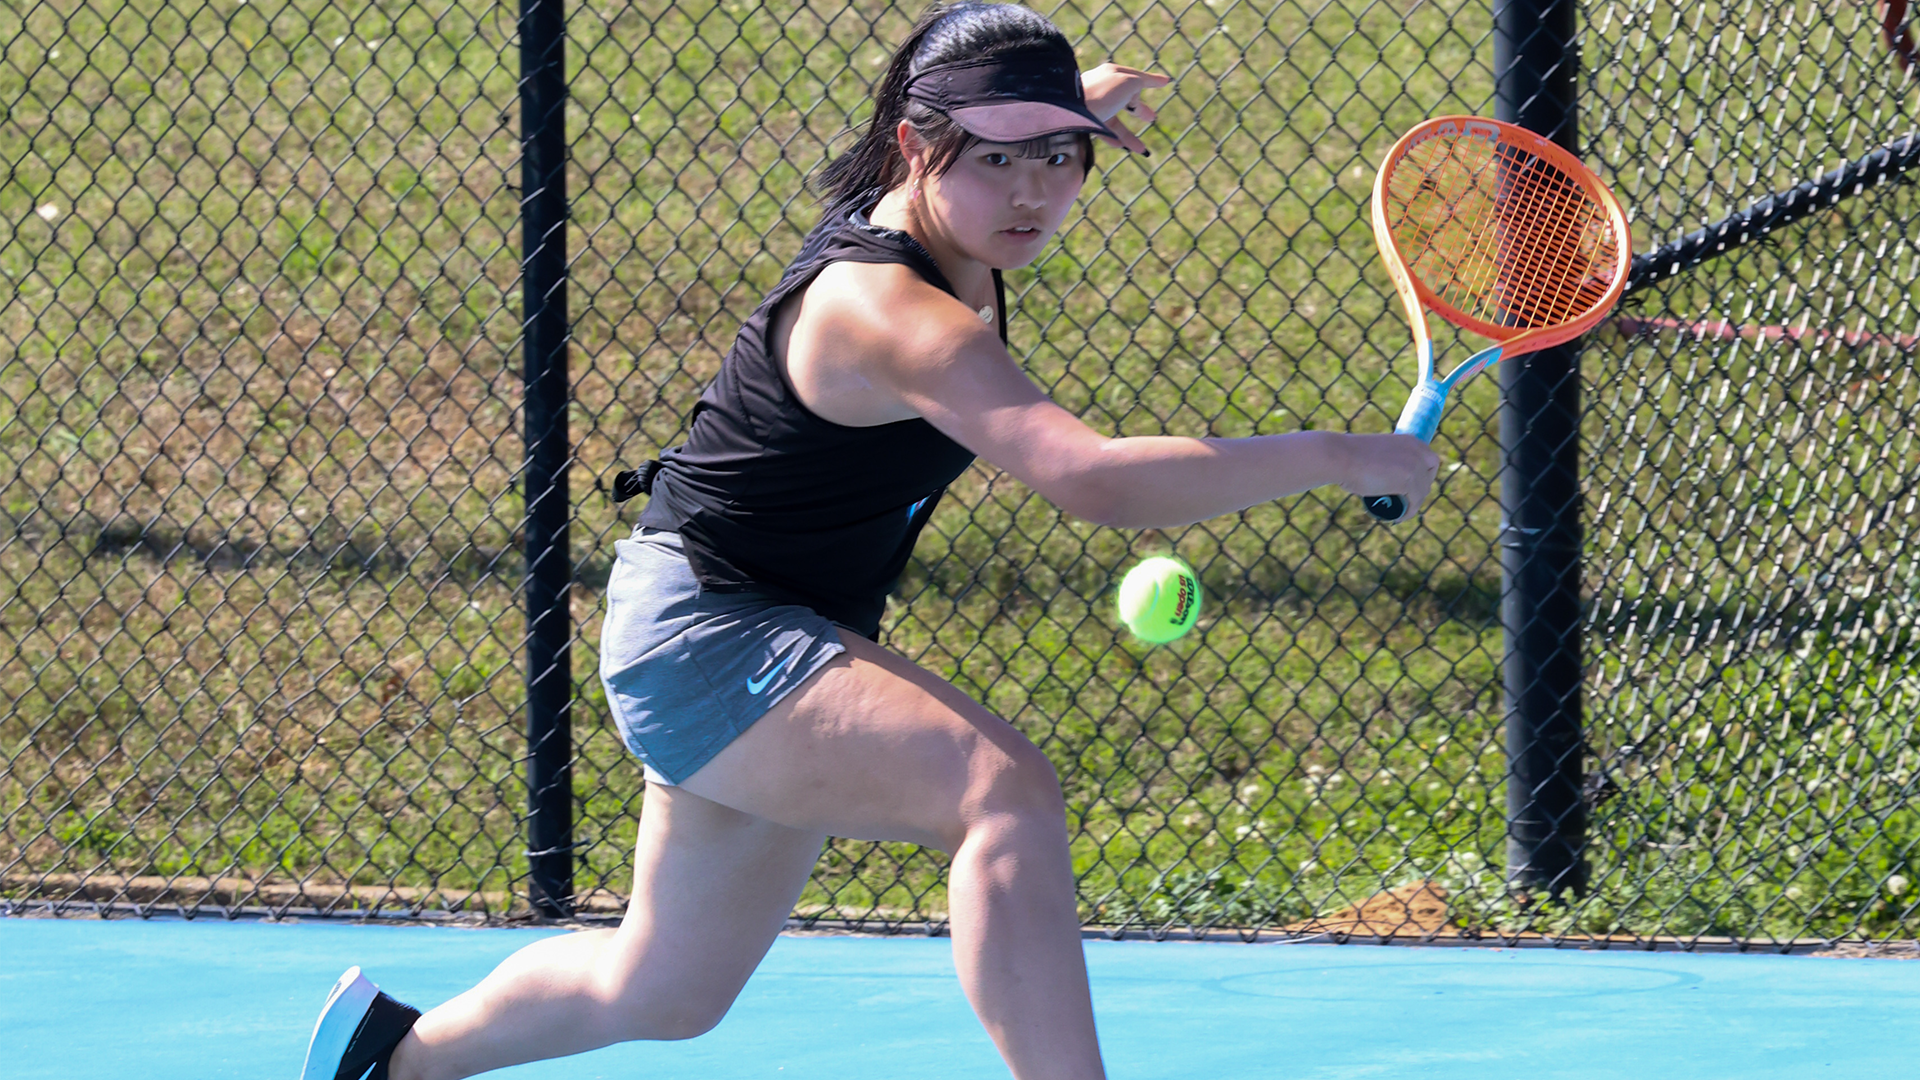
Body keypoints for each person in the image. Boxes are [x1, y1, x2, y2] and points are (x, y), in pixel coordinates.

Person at [298, 4, 1439, 1079]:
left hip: (748, 620)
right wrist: (1343, 454)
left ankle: (390, 1058)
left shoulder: (948, 206)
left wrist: (1051, 106)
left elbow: (1002, 145)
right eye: (997, 156)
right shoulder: (890, 311)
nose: (1035, 189)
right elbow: (1087, 478)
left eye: (1061, 155)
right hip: (711, 630)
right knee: (1004, 795)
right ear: (915, 144)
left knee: (666, 989)